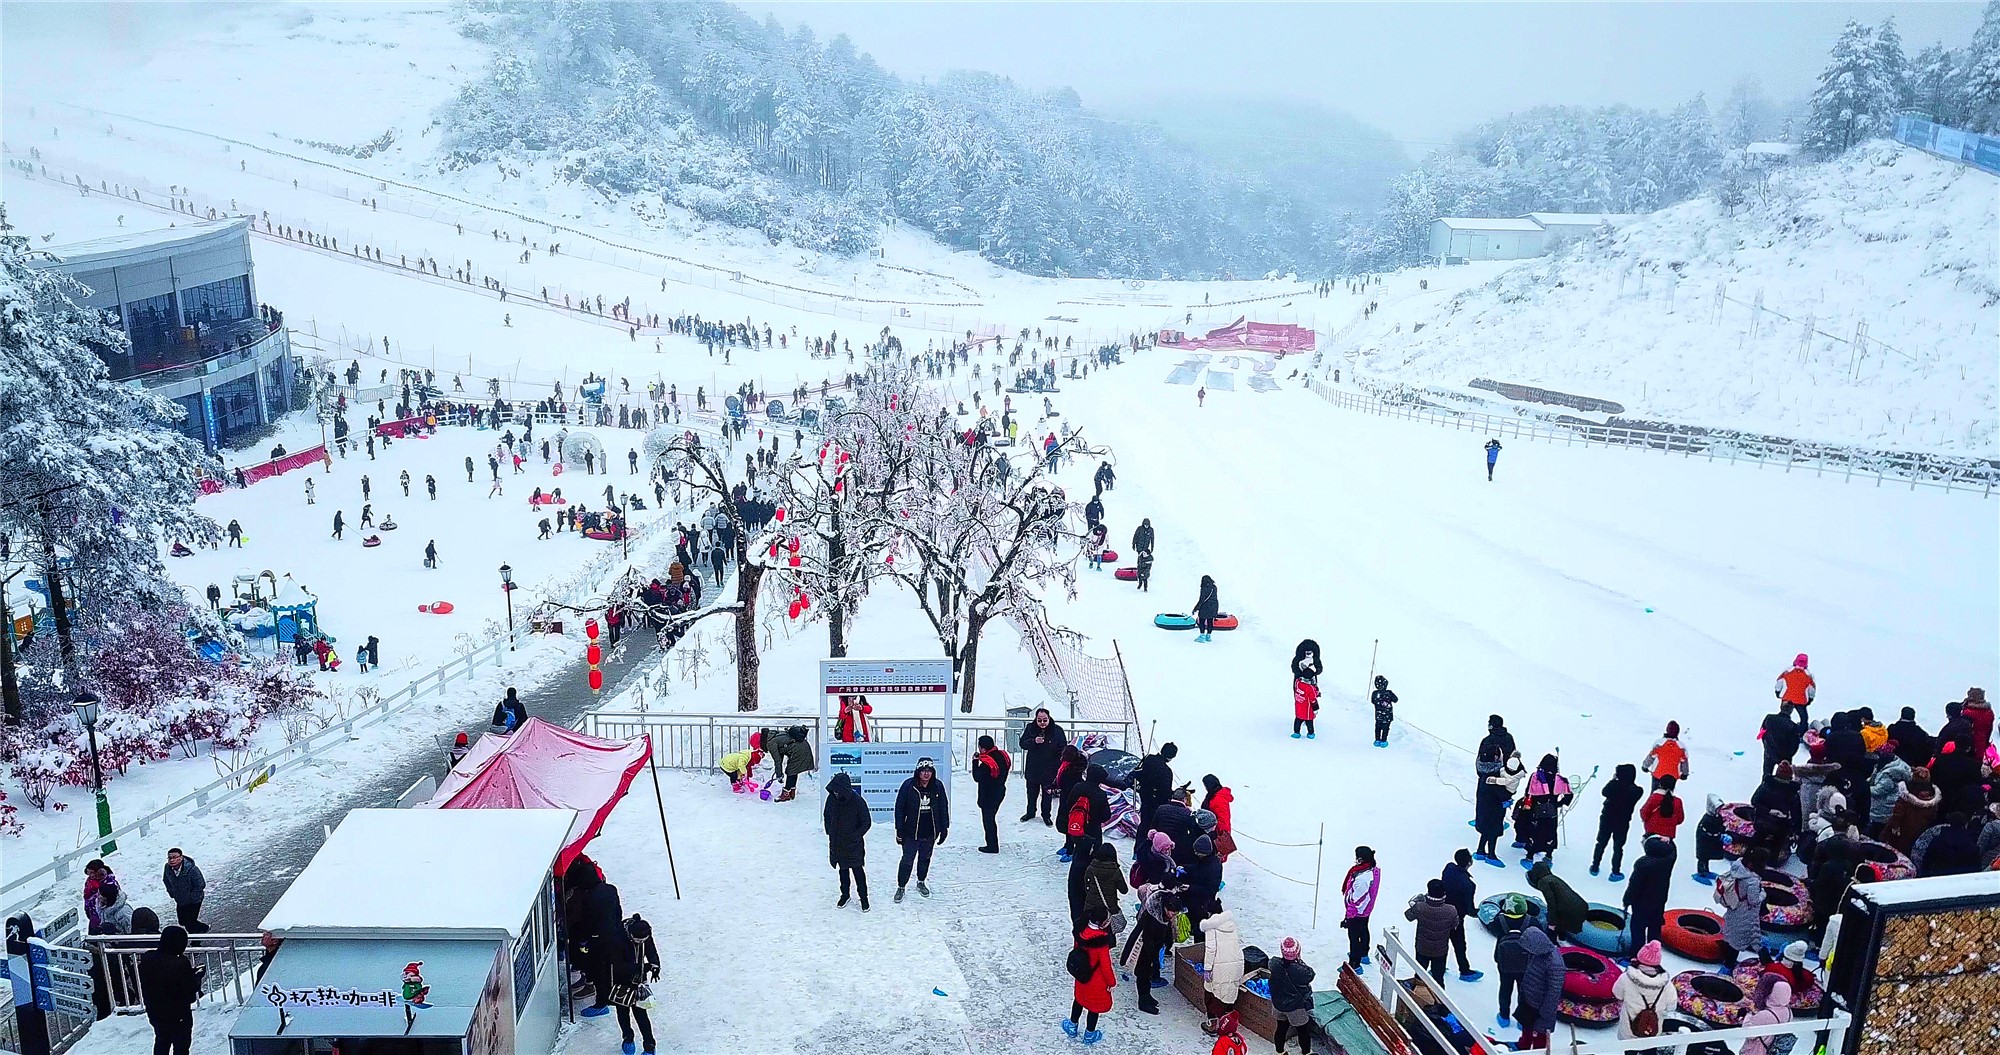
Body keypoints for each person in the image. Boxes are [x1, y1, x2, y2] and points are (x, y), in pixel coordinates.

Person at [562, 855, 625, 1018]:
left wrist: (585, 940)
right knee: (608, 969)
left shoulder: (589, 898)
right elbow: (618, 912)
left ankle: (601, 1003)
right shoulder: (610, 889)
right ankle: (608, 996)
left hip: (597, 941)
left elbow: (588, 922)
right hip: (614, 935)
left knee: (598, 972)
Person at [137, 926, 203, 1055]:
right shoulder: (180, 963)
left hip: (156, 1012)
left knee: (162, 1041)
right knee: (181, 1046)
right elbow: (189, 991)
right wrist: (197, 977)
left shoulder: (148, 959)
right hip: (178, 1014)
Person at [893, 758, 949, 902]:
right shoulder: (908, 786)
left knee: (925, 858)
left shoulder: (937, 786)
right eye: (923, 771)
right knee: (907, 860)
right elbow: (899, 808)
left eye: (929, 771)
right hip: (911, 832)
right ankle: (901, 886)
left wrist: (944, 828)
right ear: (918, 772)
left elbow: (943, 806)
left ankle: (921, 881)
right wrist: (899, 829)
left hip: (930, 831)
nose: (926, 774)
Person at [1066, 906, 1116, 1044]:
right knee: (1094, 1008)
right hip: (1096, 981)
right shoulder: (1101, 943)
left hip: (1082, 976)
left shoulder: (1080, 932)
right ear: (1102, 923)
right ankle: (1089, 1035)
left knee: (1079, 1000)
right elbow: (1106, 966)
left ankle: (1072, 1026)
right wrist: (1112, 983)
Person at [823, 772, 871, 910]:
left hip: (853, 844)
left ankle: (864, 898)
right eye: (835, 791)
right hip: (837, 843)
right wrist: (829, 831)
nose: (836, 793)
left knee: (858, 872)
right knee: (843, 871)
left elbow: (866, 822)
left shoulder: (858, 801)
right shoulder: (831, 798)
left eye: (839, 791)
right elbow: (827, 815)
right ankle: (845, 895)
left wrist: (855, 836)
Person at [1611, 939, 1673, 1043]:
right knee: (1649, 1049)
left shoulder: (1626, 978)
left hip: (1629, 1028)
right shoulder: (1666, 984)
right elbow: (1672, 1006)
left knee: (1630, 1050)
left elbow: (1617, 994)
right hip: (1652, 1029)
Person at [1715, 846, 1767, 969]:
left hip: (1734, 906)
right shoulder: (1752, 881)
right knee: (1738, 940)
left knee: (1730, 932)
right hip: (1745, 912)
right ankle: (1729, 964)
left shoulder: (1737, 868)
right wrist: (1763, 894)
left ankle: (1725, 956)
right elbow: (1754, 901)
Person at [616, 916, 661, 1054]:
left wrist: (655, 965)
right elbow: (619, 965)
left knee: (641, 1014)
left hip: (638, 982)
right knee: (623, 1012)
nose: (641, 943)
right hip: (621, 982)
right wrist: (644, 967)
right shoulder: (618, 939)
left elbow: (651, 951)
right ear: (630, 935)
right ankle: (628, 1037)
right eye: (638, 941)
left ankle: (649, 1046)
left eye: (644, 940)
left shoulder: (645, 935)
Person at [1514, 926, 1564, 1050]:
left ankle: (1538, 1052)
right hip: (1529, 1000)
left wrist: (1545, 1014)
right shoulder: (1538, 953)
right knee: (1527, 1028)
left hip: (1540, 1007)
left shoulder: (1555, 964)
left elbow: (1554, 992)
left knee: (1540, 1035)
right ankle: (1523, 1046)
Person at [1592, 763, 1645, 878]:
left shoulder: (1614, 786)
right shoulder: (1637, 791)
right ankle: (1615, 871)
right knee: (1618, 847)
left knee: (1601, 842)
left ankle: (1595, 866)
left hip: (1607, 818)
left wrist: (1613, 780)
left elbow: (1604, 792)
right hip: (1623, 822)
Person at [1403, 880, 1459, 985]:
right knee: (1438, 977)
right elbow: (1454, 925)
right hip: (1440, 949)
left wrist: (1413, 904)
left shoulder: (1420, 907)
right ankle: (1439, 999)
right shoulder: (1451, 910)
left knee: (1419, 973)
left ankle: (1418, 995)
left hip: (1422, 947)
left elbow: (1408, 916)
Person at [1519, 754, 1572, 862]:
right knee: (1550, 832)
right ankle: (1548, 855)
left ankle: (1530, 856)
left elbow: (1528, 792)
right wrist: (1559, 804)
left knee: (1534, 831)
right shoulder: (1559, 779)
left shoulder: (1536, 776)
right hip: (1551, 811)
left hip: (1536, 809)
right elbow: (1569, 795)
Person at [1199, 900, 1243, 1029]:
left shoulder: (1211, 927)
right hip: (1235, 964)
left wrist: (1207, 968)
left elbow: (1211, 949)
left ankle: (1212, 1024)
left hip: (1219, 965)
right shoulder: (1231, 925)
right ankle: (1228, 1024)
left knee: (1211, 993)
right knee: (1229, 992)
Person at [1440, 850, 1483, 981]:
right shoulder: (1468, 884)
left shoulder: (1449, 868)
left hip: (1442, 911)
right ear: (1469, 862)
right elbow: (1469, 908)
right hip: (1456, 918)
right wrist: (1477, 912)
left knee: (1442, 941)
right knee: (1459, 944)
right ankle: (1464, 970)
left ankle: (1439, 967)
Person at [1269, 937, 1317, 1054]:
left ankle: (1279, 1052)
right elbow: (1311, 974)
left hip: (1278, 1005)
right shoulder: (1301, 971)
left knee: (1281, 1028)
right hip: (1295, 1008)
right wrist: (1299, 960)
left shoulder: (1274, 964)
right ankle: (1306, 1052)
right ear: (1297, 952)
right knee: (1303, 1030)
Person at [1474, 747, 1523, 863]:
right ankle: (1491, 854)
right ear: (1496, 758)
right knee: (1493, 832)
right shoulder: (1495, 775)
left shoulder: (1483, 773)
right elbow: (1502, 793)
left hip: (1483, 807)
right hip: (1494, 809)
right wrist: (1508, 796)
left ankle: (1480, 850)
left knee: (1486, 830)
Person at [1019, 708, 1067, 824]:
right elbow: (1022, 743)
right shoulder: (1030, 728)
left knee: (1047, 794)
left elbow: (1063, 748)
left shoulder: (1057, 731)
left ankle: (1046, 815)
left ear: (1049, 718)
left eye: (1045, 720)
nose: (1042, 723)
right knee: (1031, 793)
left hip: (1049, 769)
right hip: (1033, 767)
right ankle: (1030, 812)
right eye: (1039, 720)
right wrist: (1034, 741)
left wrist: (1056, 764)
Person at [1492, 898, 1531, 1026]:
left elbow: (1492, 928)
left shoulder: (1500, 921)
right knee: (1524, 992)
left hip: (1504, 961)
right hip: (1525, 963)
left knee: (1505, 988)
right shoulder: (1531, 921)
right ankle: (1522, 1020)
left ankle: (1504, 1017)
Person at [1340, 846, 1380, 971]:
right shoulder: (1372, 869)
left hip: (1358, 912)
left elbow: (1357, 900)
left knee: (1354, 936)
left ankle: (1354, 964)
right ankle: (1363, 954)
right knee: (1363, 929)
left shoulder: (1363, 879)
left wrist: (1348, 916)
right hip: (1365, 909)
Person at [1527, 857, 1585, 940]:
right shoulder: (1553, 878)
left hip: (1569, 912)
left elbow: (1551, 903)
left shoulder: (1543, 882)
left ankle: (1553, 944)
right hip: (1580, 907)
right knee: (1563, 927)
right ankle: (1562, 937)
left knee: (1551, 931)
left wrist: (1552, 923)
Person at [972, 735, 1011, 853]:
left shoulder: (986, 763)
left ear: (983, 749)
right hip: (1000, 792)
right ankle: (992, 843)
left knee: (988, 820)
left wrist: (974, 762)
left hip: (988, 796)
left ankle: (992, 845)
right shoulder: (1002, 756)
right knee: (991, 818)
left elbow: (977, 777)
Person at [1739, 975, 1796, 1055]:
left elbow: (1748, 1032)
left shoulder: (1765, 1015)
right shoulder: (1788, 1011)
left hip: (1756, 1051)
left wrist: (1749, 1013)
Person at [1081, 843, 1129, 938]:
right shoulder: (1115, 871)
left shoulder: (1091, 868)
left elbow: (1086, 885)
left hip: (1091, 906)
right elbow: (1124, 890)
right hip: (1109, 907)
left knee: (1089, 930)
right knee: (1107, 932)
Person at [1135, 742, 1179, 836]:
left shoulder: (1149, 758)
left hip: (1144, 795)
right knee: (1150, 826)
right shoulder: (1166, 771)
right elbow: (1165, 792)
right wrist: (1175, 794)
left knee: (1143, 823)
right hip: (1155, 803)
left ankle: (1138, 846)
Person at [162, 849, 205, 931]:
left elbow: (200, 884)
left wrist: (192, 897)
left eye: (174, 857)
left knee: (190, 922)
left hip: (194, 900)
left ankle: (196, 941)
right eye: (169, 858)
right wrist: (172, 892)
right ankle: (203, 928)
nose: (172, 860)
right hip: (180, 899)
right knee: (182, 921)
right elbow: (166, 880)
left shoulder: (192, 869)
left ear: (181, 858)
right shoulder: (167, 868)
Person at [1761, 704, 1807, 779]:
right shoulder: (1792, 726)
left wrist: (1766, 745)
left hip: (1769, 751)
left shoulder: (1769, 718)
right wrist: (1789, 755)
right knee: (1785, 777)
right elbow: (1795, 745)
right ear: (1791, 711)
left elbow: (1762, 733)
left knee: (1766, 774)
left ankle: (1765, 787)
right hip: (1785, 756)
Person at [1640, 775, 1686, 844]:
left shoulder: (1654, 798)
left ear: (1660, 784)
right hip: (1668, 837)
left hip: (1652, 834)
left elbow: (1644, 813)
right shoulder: (1678, 801)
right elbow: (1680, 819)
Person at [1641, 721, 1690, 787]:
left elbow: (1651, 757)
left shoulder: (1659, 744)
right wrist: (1685, 774)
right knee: (1668, 795)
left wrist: (1645, 766)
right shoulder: (1681, 747)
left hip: (1657, 775)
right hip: (1673, 776)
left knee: (1655, 795)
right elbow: (1684, 762)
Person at [1887, 706, 1935, 772]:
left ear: (1901, 715)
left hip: (1891, 765)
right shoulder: (1921, 733)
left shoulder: (1892, 729)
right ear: (1913, 717)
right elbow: (1927, 751)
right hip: (1912, 768)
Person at [1693, 793, 1729, 882]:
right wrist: (1718, 836)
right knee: (1703, 857)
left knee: (1707, 856)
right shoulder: (1707, 820)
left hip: (1710, 842)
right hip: (1704, 842)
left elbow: (1720, 826)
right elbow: (1708, 833)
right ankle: (1701, 872)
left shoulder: (1717, 817)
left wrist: (1723, 832)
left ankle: (1706, 871)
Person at [1200, 774, 1236, 861]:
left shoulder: (1218, 799)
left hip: (1216, 834)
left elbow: (1223, 821)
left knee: (1214, 860)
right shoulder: (1213, 795)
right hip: (1211, 831)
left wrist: (1221, 839)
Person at [1291, 639, 1321, 739]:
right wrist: (1302, 674)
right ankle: (1301, 716)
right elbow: (1294, 668)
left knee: (1311, 698)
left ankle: (1308, 715)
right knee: (1300, 699)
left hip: (1312, 682)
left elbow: (1319, 669)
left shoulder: (1315, 659)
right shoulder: (1298, 659)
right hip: (1299, 681)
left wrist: (1313, 671)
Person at [1775, 653, 1816, 720]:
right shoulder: (1809, 675)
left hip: (1787, 697)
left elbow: (1779, 682)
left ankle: (1782, 726)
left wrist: (1777, 691)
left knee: (1784, 714)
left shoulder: (1787, 671)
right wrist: (1810, 699)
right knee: (1804, 718)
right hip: (1801, 700)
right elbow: (1812, 690)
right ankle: (1802, 729)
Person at [1369, 675, 1397, 747]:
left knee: (1378, 727)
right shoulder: (1389, 693)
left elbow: (1373, 701)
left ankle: (1377, 740)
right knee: (1386, 728)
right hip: (1388, 715)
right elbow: (1396, 700)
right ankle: (1384, 741)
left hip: (1379, 715)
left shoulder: (1375, 693)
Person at [1192, 575, 1220, 642]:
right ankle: (1208, 636)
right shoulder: (1214, 587)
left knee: (1202, 621)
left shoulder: (1204, 589)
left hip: (1205, 607)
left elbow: (1202, 600)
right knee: (1210, 621)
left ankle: (1202, 636)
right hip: (1214, 606)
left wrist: (1195, 608)